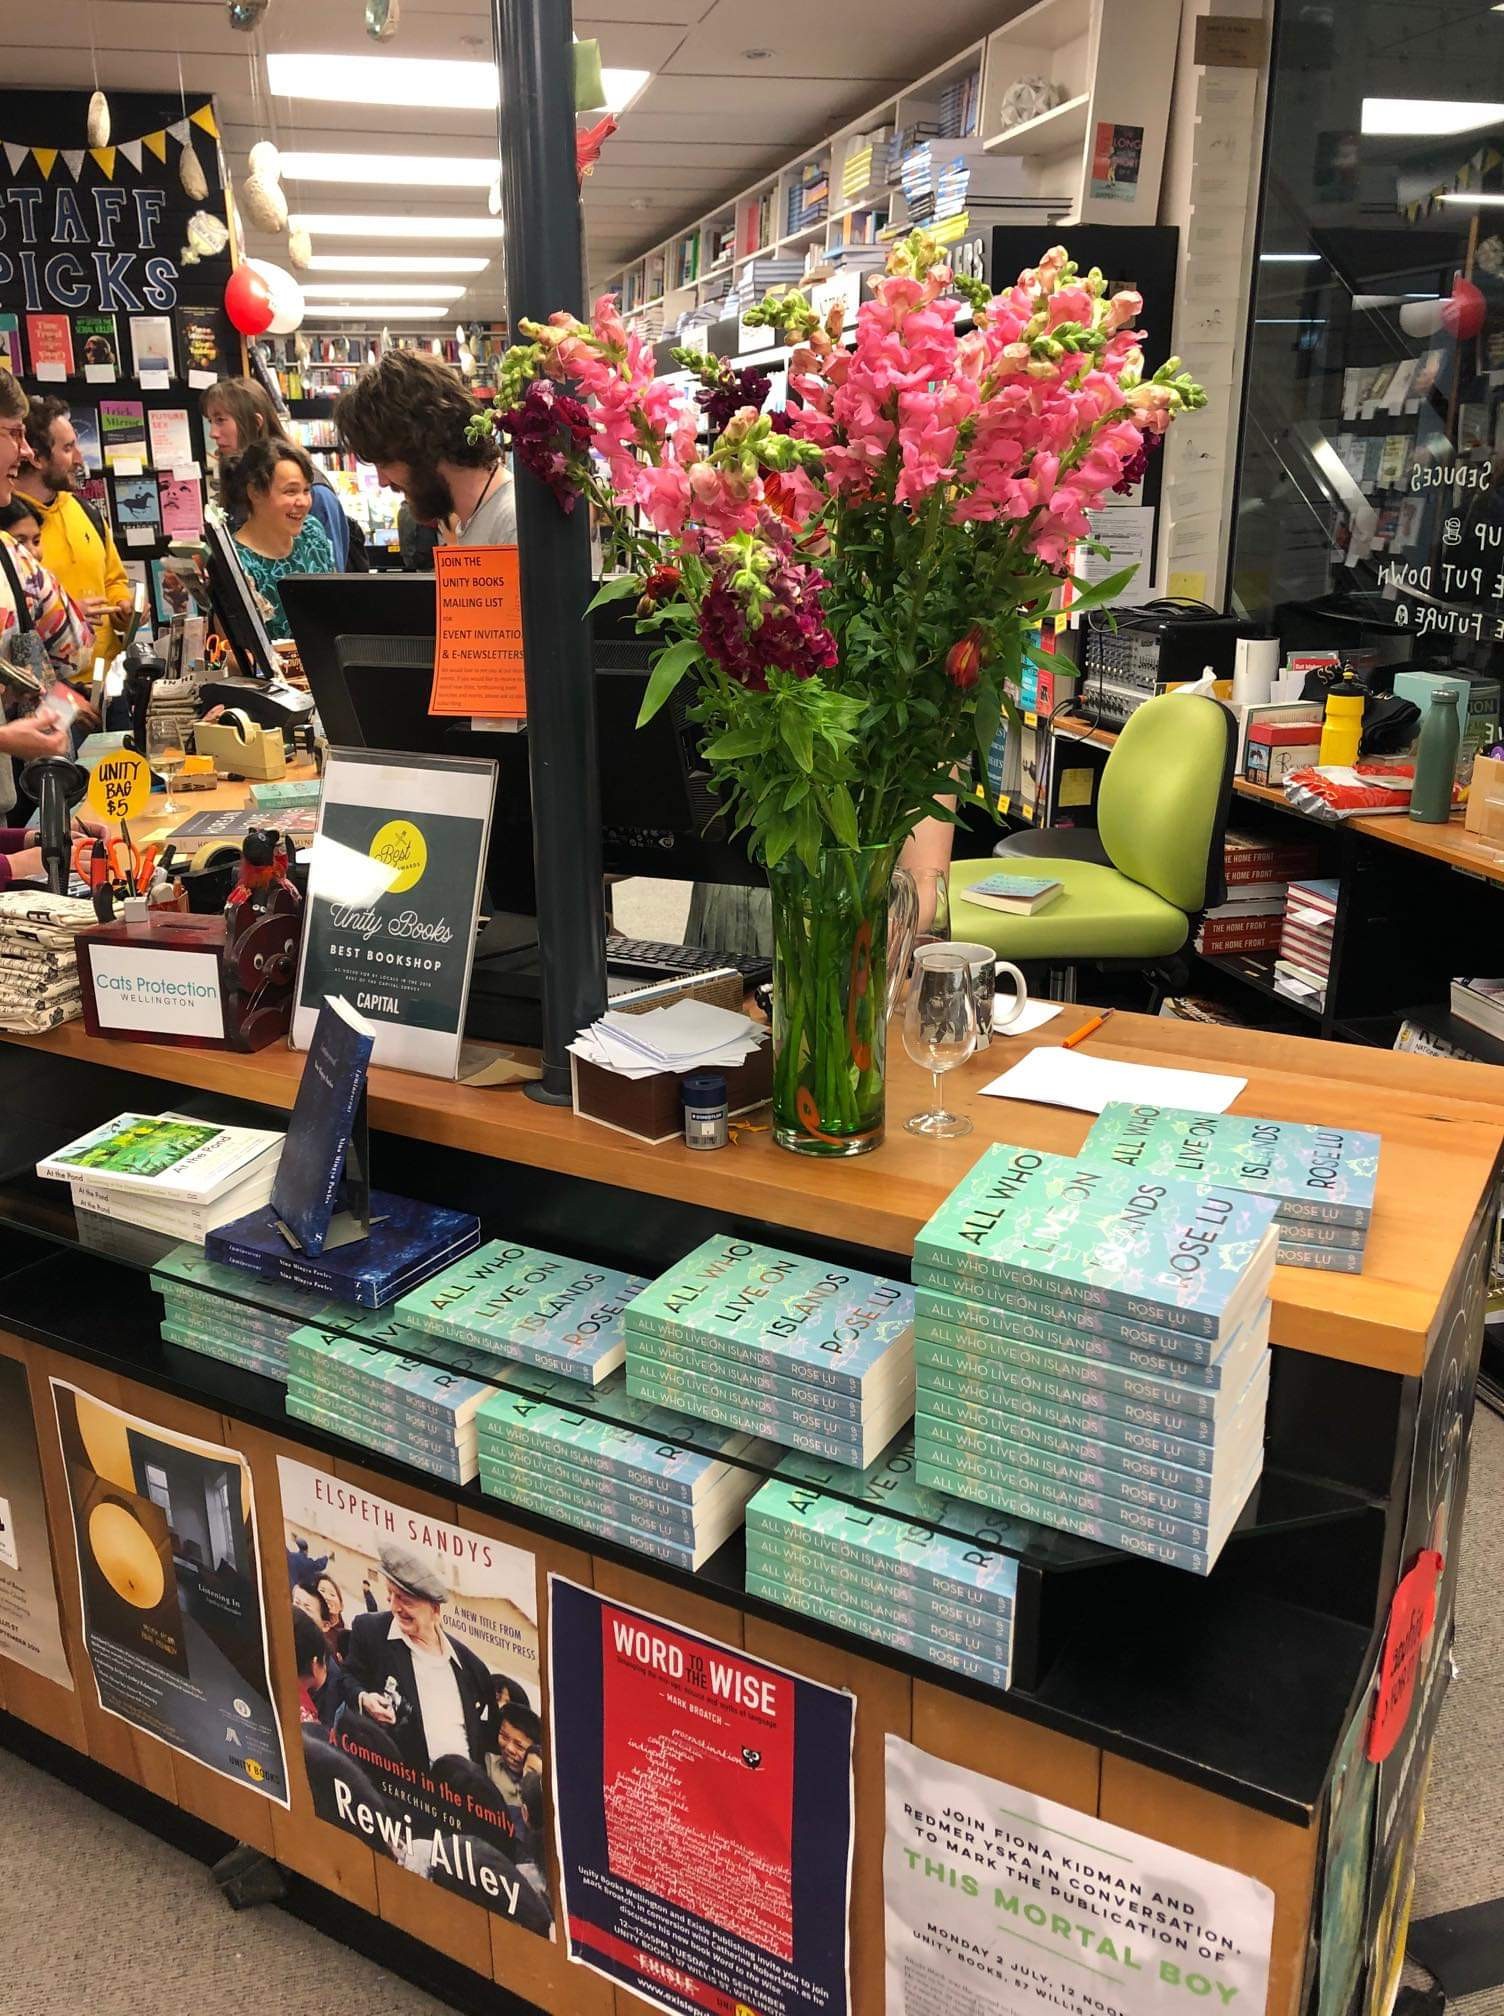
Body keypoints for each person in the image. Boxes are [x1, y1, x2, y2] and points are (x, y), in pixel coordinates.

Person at [341, 1540, 496, 1775]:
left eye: (406, 1600)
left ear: (435, 1610)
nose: (395, 1607)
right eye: (391, 1595)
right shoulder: (371, 1632)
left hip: (462, 1792)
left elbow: (485, 1732)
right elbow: (348, 1676)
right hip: (405, 1786)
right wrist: (364, 1698)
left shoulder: (471, 1666)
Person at [334, 349, 516, 546]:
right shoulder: (473, 521)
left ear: (422, 443)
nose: (382, 481)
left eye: (384, 463)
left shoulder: (512, 525)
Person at [15, 395, 133, 673]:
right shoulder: (10, 529)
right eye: (68, 448)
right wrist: (64, 617)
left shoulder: (87, 512)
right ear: (37, 457)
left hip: (111, 681)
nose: (80, 458)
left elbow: (114, 580)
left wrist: (124, 608)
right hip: (50, 694)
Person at [202, 376, 359, 568]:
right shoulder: (239, 485)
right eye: (211, 421)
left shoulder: (315, 493)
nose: (213, 433)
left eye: (221, 420)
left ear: (255, 422)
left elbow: (332, 581)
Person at [222, 439, 335, 637]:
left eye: (306, 490)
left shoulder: (313, 533)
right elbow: (232, 651)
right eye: (290, 491)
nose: (303, 502)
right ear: (255, 492)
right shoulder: (236, 561)